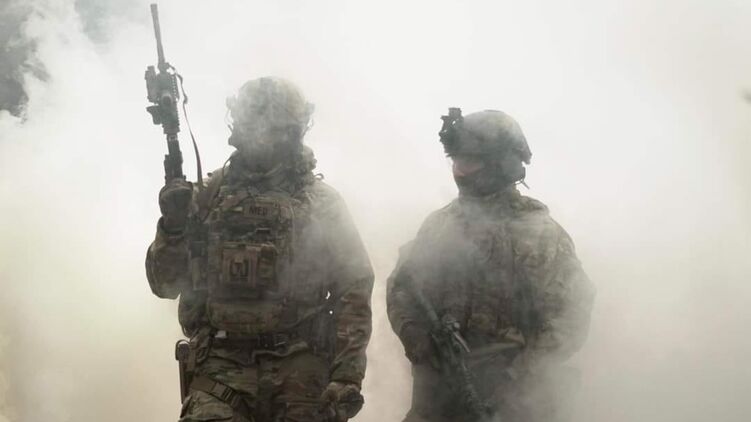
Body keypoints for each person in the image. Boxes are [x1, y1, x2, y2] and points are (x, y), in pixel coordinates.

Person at [146, 77, 374, 422]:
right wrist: (173, 228)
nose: (262, 136)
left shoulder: (321, 203)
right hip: (222, 363)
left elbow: (354, 289)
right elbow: (164, 285)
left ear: (291, 131)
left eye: (272, 127)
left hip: (300, 362)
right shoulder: (207, 197)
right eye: (254, 123)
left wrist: (346, 376)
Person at [387, 108, 594, 422]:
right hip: (438, 392)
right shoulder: (439, 225)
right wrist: (418, 339)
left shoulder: (539, 234)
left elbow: (570, 316)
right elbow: (402, 288)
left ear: (501, 164)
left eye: (470, 161)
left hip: (511, 398)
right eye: (456, 161)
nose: (460, 170)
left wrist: (518, 376)